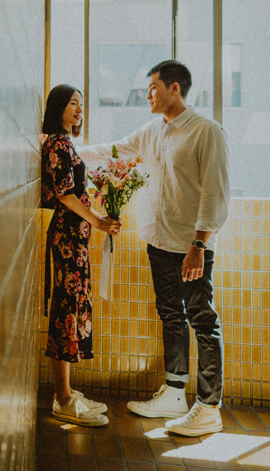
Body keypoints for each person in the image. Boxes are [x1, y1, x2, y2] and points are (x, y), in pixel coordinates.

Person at [78, 60, 230, 437]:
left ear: (174, 88)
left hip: (190, 245)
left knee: (202, 321)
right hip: (158, 241)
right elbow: (112, 150)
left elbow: (215, 194)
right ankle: (175, 392)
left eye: (153, 88)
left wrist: (198, 245)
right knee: (170, 314)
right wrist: (65, 150)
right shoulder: (153, 131)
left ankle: (209, 407)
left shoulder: (206, 132)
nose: (148, 95)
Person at [41, 84, 122, 427]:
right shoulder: (57, 143)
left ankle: (68, 393)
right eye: (73, 103)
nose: (79, 109)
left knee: (72, 309)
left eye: (82, 105)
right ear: (58, 107)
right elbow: (64, 194)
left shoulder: (66, 142)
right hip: (67, 236)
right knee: (65, 311)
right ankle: (62, 399)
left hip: (75, 238)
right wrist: (99, 221)